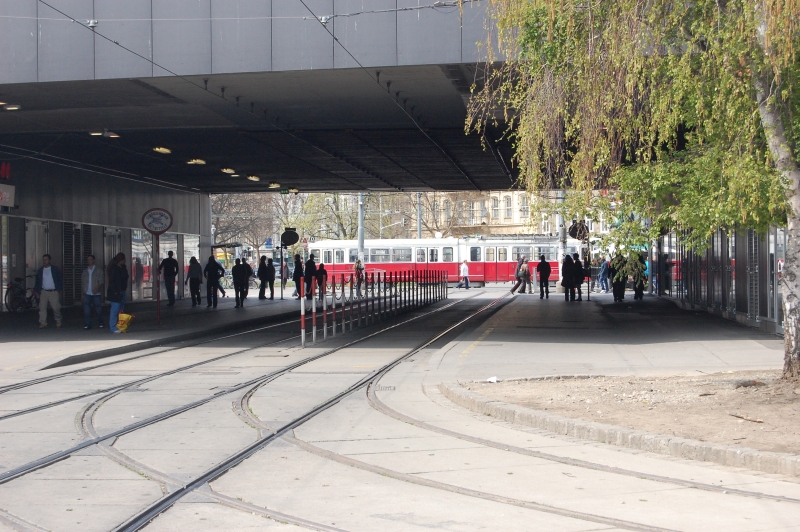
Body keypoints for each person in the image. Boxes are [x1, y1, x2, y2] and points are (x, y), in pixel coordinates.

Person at [34, 254, 63, 328]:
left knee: (56, 307)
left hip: (53, 291)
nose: (44, 261)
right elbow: (38, 281)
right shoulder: (40, 270)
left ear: (49, 260)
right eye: (43, 259)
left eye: (46, 259)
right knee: (42, 308)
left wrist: (59, 289)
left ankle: (58, 320)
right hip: (44, 291)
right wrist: (37, 291)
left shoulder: (55, 269)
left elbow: (60, 279)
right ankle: (43, 322)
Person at [106, 253, 128, 334]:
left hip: (122, 291)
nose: (125, 261)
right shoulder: (114, 268)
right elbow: (112, 281)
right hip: (115, 291)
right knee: (115, 309)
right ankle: (113, 327)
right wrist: (115, 291)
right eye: (124, 259)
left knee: (121, 309)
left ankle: (120, 326)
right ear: (121, 260)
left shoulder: (122, 268)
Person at [81, 254, 104, 329]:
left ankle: (101, 322)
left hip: (96, 293)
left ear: (94, 260)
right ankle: (88, 323)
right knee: (86, 309)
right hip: (87, 292)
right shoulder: (85, 271)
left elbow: (101, 281)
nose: (89, 261)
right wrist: (82, 294)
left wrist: (97, 288)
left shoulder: (99, 271)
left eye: (90, 259)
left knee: (98, 309)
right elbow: (82, 283)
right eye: (88, 260)